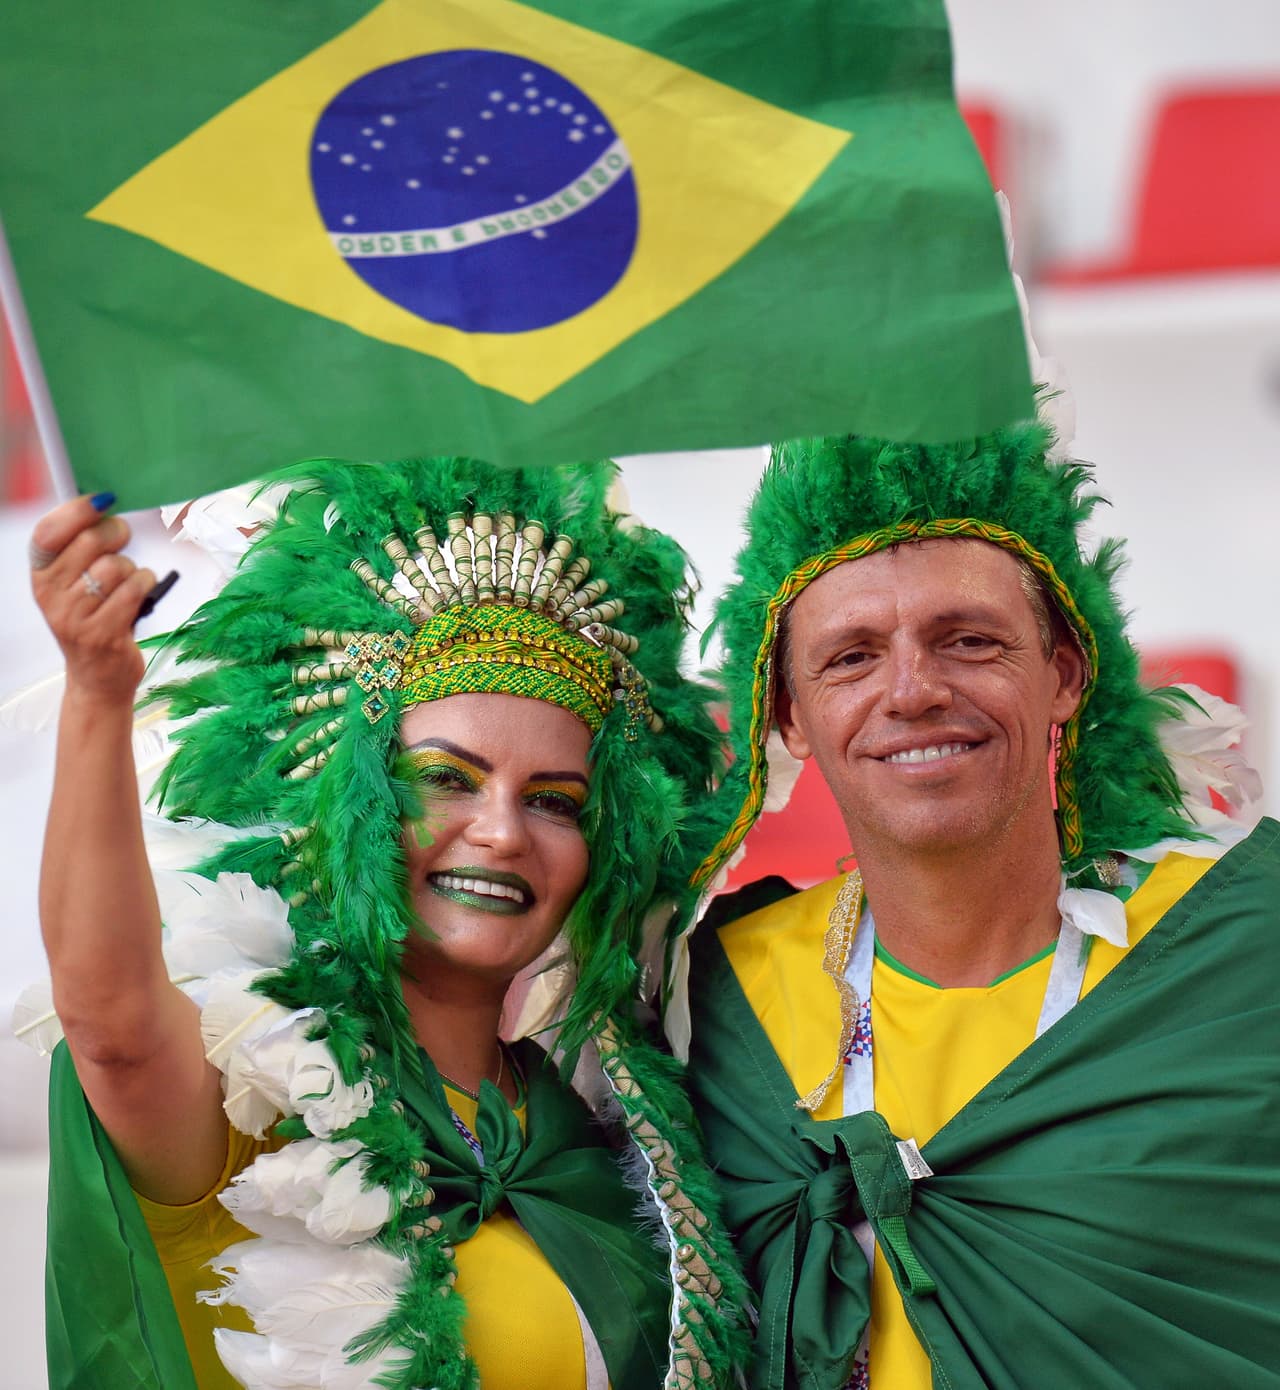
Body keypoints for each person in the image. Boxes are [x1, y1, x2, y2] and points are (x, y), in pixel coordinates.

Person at [23, 456, 746, 1390]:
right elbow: (112, 1025)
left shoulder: (605, 1136)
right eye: (445, 779)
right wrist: (95, 691)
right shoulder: (254, 1092)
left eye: (556, 802)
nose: (500, 832)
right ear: (353, 799)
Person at [678, 423, 1280, 1388]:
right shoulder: (705, 998)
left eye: (970, 640)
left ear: (1068, 676)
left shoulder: (1242, 947)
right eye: (849, 658)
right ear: (786, 712)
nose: (912, 691)